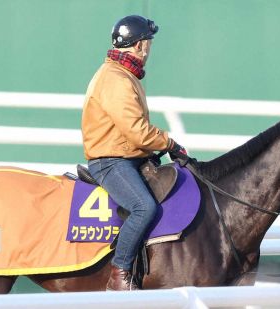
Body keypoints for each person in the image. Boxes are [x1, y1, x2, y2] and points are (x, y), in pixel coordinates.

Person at [81, 15, 187, 291]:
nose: (149, 48)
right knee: (144, 207)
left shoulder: (123, 74)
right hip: (110, 161)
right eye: (148, 42)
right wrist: (170, 144)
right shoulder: (117, 79)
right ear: (140, 45)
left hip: (124, 155)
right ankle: (120, 273)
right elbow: (137, 131)